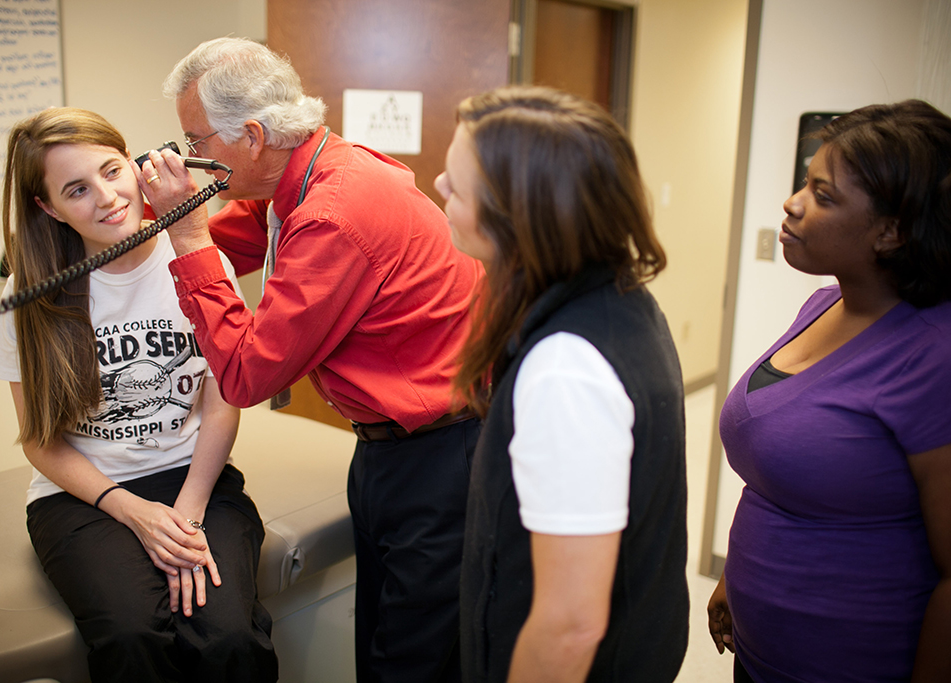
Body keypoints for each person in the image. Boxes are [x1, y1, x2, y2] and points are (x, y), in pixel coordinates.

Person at [138, 37, 483, 683]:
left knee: (408, 661)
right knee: (384, 638)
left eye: (195, 140)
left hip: (441, 461)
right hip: (391, 449)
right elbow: (234, 241)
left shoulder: (335, 209)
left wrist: (182, 232)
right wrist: (140, 221)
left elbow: (245, 374)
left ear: (250, 134)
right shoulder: (307, 172)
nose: (188, 156)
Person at [0, 107, 277, 682]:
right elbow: (40, 442)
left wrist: (185, 518)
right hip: (85, 496)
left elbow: (224, 400)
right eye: (76, 189)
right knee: (132, 634)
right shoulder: (31, 291)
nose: (108, 197)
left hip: (194, 479)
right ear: (49, 208)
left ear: (137, 166)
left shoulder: (197, 256)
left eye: (111, 171)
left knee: (231, 638)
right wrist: (135, 513)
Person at [434, 85, 689, 683]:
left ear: (520, 216)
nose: (440, 188)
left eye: (456, 184)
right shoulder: (622, 299)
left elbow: (570, 623)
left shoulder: (566, 367)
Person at [707, 100, 951, 683]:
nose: (792, 203)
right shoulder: (824, 304)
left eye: (824, 195)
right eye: (804, 184)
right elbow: (785, 463)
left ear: (891, 231)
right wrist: (733, 576)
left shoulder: (933, 355)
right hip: (761, 654)